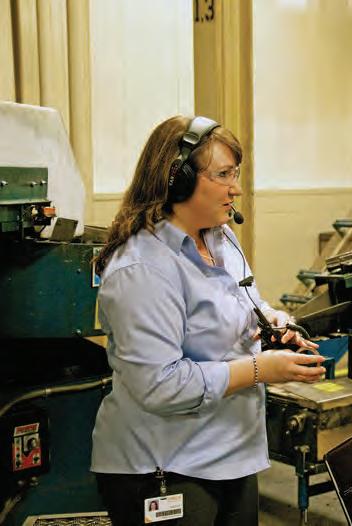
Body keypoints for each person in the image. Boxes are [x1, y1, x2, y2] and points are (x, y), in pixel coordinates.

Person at [90, 115, 326, 526]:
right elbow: (160, 385)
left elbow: (245, 302)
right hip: (167, 466)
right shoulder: (143, 269)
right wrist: (260, 369)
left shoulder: (220, 238)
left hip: (232, 454)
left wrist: (273, 322)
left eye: (236, 173)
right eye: (223, 175)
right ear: (178, 180)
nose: (236, 188)